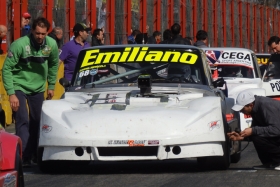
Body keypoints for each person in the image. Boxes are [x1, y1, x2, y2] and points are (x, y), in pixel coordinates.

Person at [2, 17, 59, 167]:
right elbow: (6, 69)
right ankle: (24, 156)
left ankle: (34, 153)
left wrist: (51, 85)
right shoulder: (20, 45)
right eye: (37, 33)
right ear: (32, 31)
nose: (40, 37)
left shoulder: (51, 45)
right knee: (22, 120)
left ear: (47, 33)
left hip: (38, 87)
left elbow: (54, 65)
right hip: (18, 85)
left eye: (43, 34)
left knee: (37, 121)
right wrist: (11, 93)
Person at [228, 90, 280, 170]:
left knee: (257, 134)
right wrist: (242, 137)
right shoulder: (255, 109)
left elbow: (276, 129)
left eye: (242, 109)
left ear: (250, 105)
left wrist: (252, 131)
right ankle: (270, 163)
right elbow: (258, 131)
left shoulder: (266, 106)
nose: (241, 112)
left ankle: (277, 162)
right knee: (257, 135)